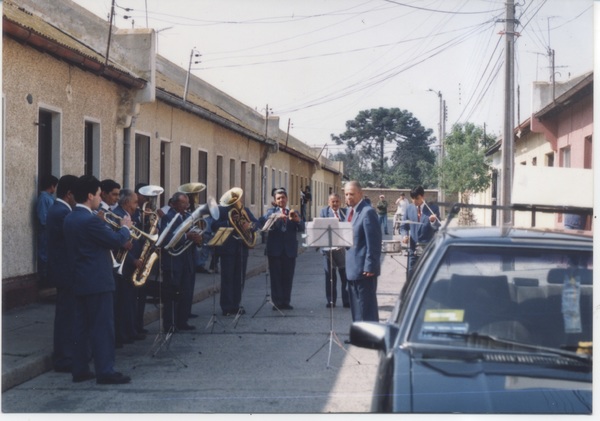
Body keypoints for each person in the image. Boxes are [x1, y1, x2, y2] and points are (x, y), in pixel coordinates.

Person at [63, 175, 132, 384]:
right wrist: (126, 226)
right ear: (91, 195)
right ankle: (105, 371)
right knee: (103, 328)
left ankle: (80, 369)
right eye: (99, 195)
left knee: (81, 327)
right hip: (98, 280)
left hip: (79, 279)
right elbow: (116, 240)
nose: (100, 199)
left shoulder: (71, 217)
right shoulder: (90, 220)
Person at [46, 174, 78, 373]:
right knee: (66, 316)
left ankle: (67, 355)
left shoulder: (60, 209)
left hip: (64, 269)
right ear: (69, 194)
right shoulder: (61, 212)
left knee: (68, 315)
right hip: (65, 271)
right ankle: (64, 357)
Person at [159, 192, 202, 331]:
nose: (187, 206)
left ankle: (182, 321)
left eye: (187, 203)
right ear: (175, 203)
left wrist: (198, 239)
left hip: (187, 260)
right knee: (172, 294)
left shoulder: (187, 217)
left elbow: (195, 234)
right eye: (184, 203)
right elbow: (166, 238)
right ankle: (170, 324)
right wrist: (186, 236)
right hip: (173, 261)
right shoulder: (167, 218)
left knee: (185, 293)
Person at [212, 189, 259, 316]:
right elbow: (214, 225)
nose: (238, 201)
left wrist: (249, 226)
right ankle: (226, 307)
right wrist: (229, 223)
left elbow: (257, 223)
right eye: (235, 200)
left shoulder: (245, 211)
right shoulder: (222, 210)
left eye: (239, 199)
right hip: (227, 248)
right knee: (227, 278)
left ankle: (236, 305)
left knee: (240, 278)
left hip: (241, 248)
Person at [258, 188, 305, 310]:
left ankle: (286, 302)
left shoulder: (293, 212)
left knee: (288, 277)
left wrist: (297, 220)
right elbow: (261, 224)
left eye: (283, 198)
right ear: (275, 200)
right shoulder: (270, 212)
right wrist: (274, 217)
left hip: (289, 250)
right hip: (275, 250)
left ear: (287, 199)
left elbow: (302, 228)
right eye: (278, 198)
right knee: (276, 277)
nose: (281, 200)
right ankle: (277, 302)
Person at [111, 189, 145, 347]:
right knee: (123, 302)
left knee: (131, 300)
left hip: (133, 261)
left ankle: (131, 330)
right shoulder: (117, 215)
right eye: (135, 202)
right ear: (126, 203)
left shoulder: (131, 214)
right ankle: (122, 334)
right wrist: (132, 260)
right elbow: (119, 243)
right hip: (124, 264)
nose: (137, 205)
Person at [344, 181, 381, 323]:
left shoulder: (368, 212)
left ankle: (370, 337)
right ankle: (359, 334)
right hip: (352, 267)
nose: (348, 197)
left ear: (360, 194)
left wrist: (370, 266)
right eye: (346, 194)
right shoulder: (349, 211)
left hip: (364, 270)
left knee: (366, 307)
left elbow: (374, 242)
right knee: (356, 306)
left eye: (352, 194)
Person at [401, 186, 441, 276]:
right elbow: (403, 226)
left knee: (426, 275)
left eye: (417, 198)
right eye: (412, 199)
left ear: (423, 196)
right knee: (411, 275)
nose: (414, 201)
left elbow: (437, 227)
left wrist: (433, 221)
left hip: (427, 248)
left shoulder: (433, 208)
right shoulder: (409, 208)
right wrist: (404, 235)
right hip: (413, 249)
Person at [319, 193, 350, 308]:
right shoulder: (324, 212)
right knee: (330, 277)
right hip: (328, 249)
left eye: (337, 201)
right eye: (333, 202)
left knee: (345, 276)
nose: (335, 204)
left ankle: (347, 301)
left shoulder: (345, 212)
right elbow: (321, 227)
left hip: (342, 249)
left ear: (340, 202)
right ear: (329, 203)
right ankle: (331, 301)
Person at [36, 174, 58, 286]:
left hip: (50, 230)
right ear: (51, 186)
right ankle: (43, 278)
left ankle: (48, 276)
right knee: (44, 253)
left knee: (49, 253)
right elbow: (42, 217)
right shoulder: (44, 198)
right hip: (46, 230)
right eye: (55, 186)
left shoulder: (49, 198)